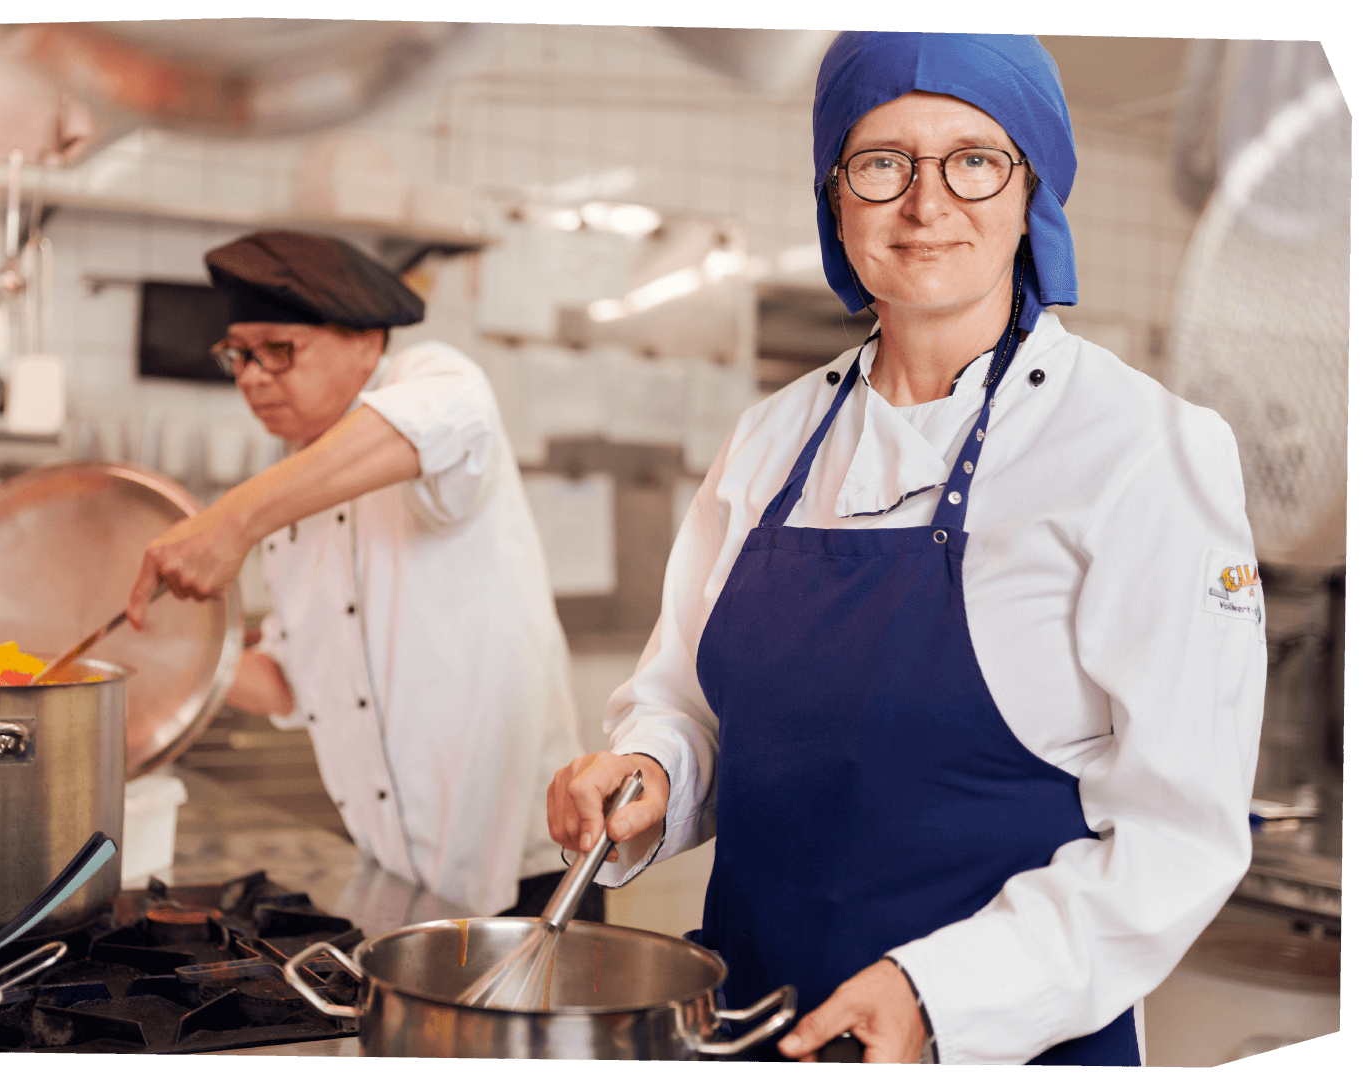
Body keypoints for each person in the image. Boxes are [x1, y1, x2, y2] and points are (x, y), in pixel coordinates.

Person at [545, 33, 1265, 1065]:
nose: (927, 205)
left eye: (975, 161)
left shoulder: (1144, 449)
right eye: (883, 163)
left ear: (1031, 189)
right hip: (752, 1021)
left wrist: (938, 995)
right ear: (835, 196)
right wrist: (648, 774)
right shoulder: (768, 440)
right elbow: (689, 707)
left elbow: (1179, 834)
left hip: (999, 1036)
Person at [129, 230, 592, 919]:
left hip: (531, 878)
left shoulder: (435, 380)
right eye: (239, 354)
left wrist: (229, 522)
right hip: (399, 879)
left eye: (277, 349)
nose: (252, 376)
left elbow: (433, 420)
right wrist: (155, 658)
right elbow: (291, 682)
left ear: (368, 342)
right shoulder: (293, 495)